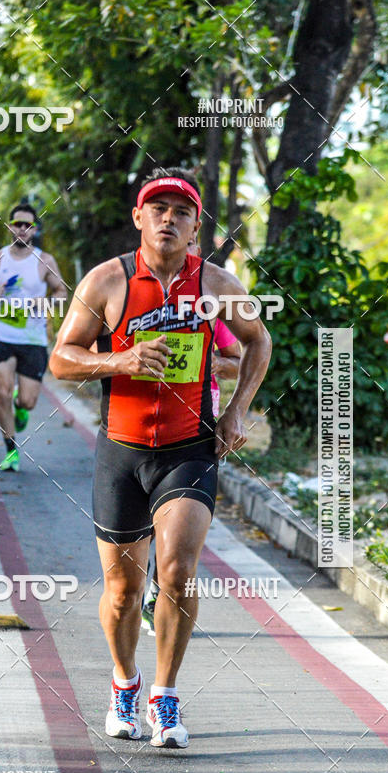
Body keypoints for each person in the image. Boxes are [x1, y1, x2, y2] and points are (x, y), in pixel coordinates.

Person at [50, 168, 271, 748]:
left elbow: (258, 340)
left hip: (188, 448)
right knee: (123, 591)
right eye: (158, 208)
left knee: (176, 571)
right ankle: (126, 683)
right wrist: (119, 362)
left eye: (181, 211)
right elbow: (62, 359)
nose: (168, 218)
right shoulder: (106, 281)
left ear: (197, 224)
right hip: (121, 451)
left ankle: (166, 698)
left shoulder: (217, 284)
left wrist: (238, 411)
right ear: (139, 218)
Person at [141, 239, 241, 635]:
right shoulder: (136, 297)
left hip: (196, 428)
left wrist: (209, 361)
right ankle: (150, 579)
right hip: (139, 430)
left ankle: (157, 588)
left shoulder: (210, 305)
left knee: (177, 530)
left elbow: (240, 358)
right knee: (147, 523)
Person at [0, 204, 67, 471]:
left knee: (27, 401)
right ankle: (11, 451)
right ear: (9, 227)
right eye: (17, 224)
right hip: (2, 335)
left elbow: (61, 293)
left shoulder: (45, 261)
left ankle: (20, 404)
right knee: (1, 392)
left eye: (28, 225)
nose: (22, 229)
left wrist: (44, 302)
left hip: (33, 340)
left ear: (34, 229)